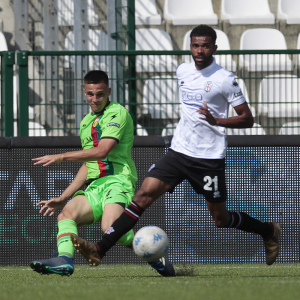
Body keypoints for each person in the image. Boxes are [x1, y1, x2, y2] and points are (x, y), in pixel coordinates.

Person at [70, 25, 281, 267]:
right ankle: (99, 249)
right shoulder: (183, 71)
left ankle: (268, 231)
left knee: (220, 219)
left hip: (208, 159)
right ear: (190, 46)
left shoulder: (225, 78)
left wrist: (217, 121)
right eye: (195, 45)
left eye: (205, 45)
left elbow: (247, 118)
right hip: (178, 152)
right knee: (142, 196)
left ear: (214, 48)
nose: (199, 50)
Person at [29, 70, 175, 277]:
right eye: (90, 94)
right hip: (95, 185)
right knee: (66, 214)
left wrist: (61, 156)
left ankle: (153, 254)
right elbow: (90, 163)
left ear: (109, 91)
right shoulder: (86, 122)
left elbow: (102, 150)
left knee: (110, 227)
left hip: (118, 180)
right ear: (84, 92)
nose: (95, 99)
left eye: (99, 94)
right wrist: (63, 197)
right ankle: (64, 260)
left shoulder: (118, 113)